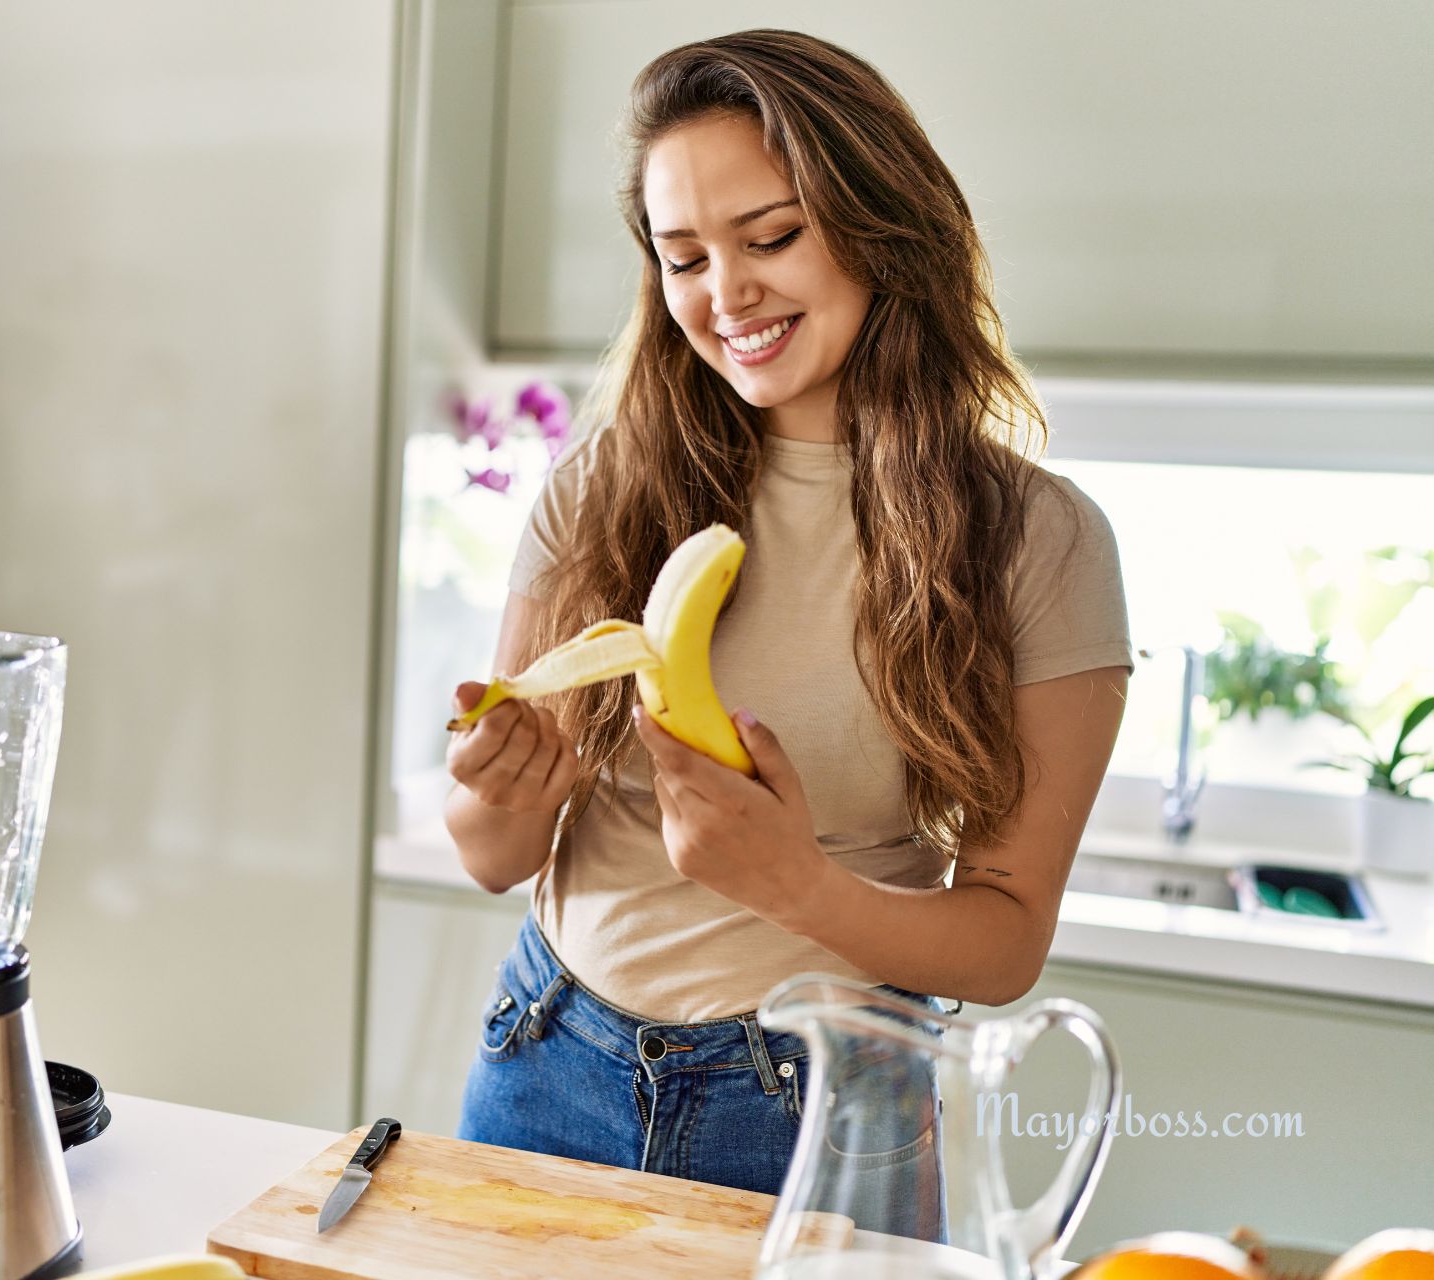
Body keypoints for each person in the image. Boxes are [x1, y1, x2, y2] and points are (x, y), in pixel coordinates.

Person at [442, 29, 1132, 1234]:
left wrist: (796, 884)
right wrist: (501, 788)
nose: (727, 294)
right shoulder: (605, 488)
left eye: (771, 237)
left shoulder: (1040, 541)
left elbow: (1007, 935)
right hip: (549, 1053)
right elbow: (495, 854)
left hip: (817, 1108)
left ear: (880, 221)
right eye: (685, 257)